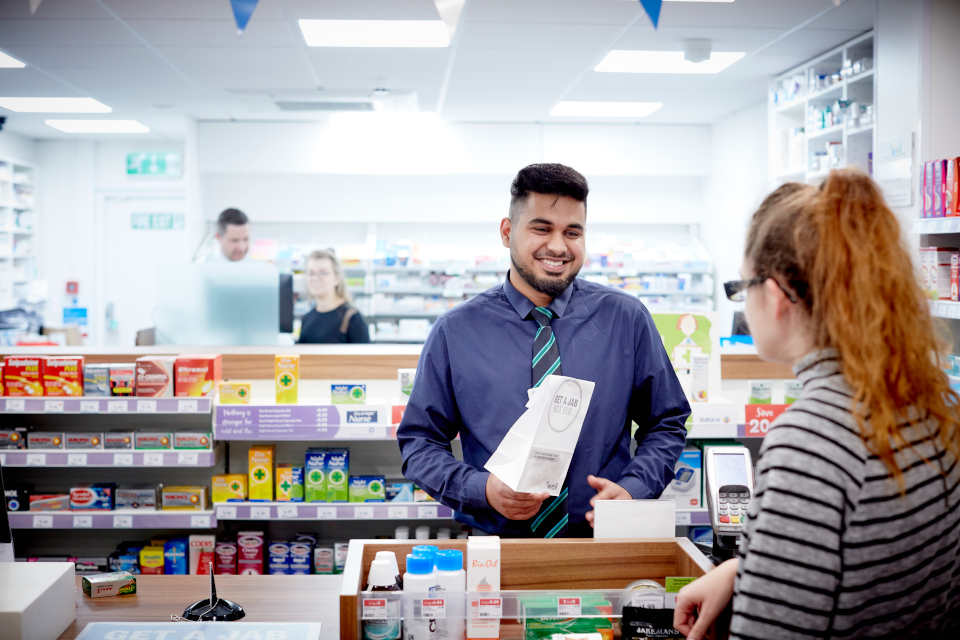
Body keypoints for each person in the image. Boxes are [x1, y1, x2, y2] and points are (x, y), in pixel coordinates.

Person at [674, 170, 960, 639]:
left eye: (742, 287)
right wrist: (746, 570)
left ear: (777, 294)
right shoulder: (928, 404)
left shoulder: (810, 438)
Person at [397, 163, 690, 538]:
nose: (558, 246)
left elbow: (666, 422)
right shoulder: (456, 331)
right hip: (497, 550)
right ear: (507, 232)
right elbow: (419, 442)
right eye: (541, 228)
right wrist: (480, 489)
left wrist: (634, 489)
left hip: (604, 541)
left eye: (572, 232)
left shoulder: (626, 319)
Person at [297, 249, 370, 344]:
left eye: (323, 273)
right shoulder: (307, 318)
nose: (315, 278)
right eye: (311, 273)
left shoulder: (352, 318)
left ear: (337, 278)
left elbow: (365, 358)